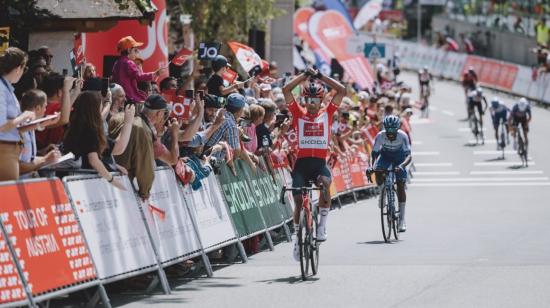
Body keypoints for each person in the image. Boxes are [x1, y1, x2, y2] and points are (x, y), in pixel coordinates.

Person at [282, 67, 346, 261]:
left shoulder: (327, 112)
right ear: (304, 100)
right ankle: (296, 240)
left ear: (321, 100)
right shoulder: (297, 112)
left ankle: (322, 226)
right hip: (301, 164)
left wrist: (320, 76)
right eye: (309, 100)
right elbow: (286, 90)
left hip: (319, 163)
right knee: (299, 201)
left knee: (326, 184)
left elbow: (342, 90)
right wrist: (304, 76)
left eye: (316, 100)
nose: (312, 104)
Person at [0, 47, 47, 181]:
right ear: (18, 68)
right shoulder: (2, 89)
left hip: (10, 150)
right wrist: (24, 116)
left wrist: (39, 123)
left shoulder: (7, 89)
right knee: (7, 197)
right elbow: (2, 125)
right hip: (5, 150)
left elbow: (12, 127)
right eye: (24, 68)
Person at [63, 91, 125, 189]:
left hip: (72, 178)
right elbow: (93, 160)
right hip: (81, 181)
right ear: (94, 107)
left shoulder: (73, 123)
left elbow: (86, 153)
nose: (101, 106)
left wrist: (114, 165)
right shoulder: (90, 129)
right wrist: (112, 180)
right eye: (100, 103)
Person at [112, 94, 170, 199]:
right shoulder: (143, 129)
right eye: (164, 113)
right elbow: (145, 166)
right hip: (122, 185)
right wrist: (144, 192)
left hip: (106, 176)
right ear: (159, 113)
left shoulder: (119, 116)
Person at [367, 115, 412, 232]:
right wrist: (371, 167)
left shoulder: (403, 136)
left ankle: (402, 220)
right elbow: (374, 154)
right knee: (377, 170)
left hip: (400, 158)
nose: (390, 133)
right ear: (385, 128)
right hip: (385, 156)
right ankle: (382, 192)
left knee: (401, 186)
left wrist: (401, 166)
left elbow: (409, 156)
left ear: (397, 129)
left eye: (393, 130)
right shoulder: (380, 136)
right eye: (388, 130)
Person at [18, 89, 61, 178]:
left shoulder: (30, 128)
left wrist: (43, 152)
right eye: (45, 107)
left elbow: (29, 159)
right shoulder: (20, 130)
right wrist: (45, 159)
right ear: (37, 108)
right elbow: (17, 166)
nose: (46, 110)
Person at [111, 36, 166, 103]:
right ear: (128, 50)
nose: (136, 53)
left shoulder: (117, 63)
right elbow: (139, 76)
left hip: (118, 97)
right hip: (130, 98)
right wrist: (155, 73)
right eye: (135, 50)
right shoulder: (129, 62)